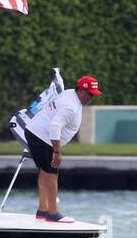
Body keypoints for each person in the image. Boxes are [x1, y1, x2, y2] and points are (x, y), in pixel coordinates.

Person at [22, 74, 101, 223]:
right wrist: (57, 152)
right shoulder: (70, 107)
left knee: (46, 171)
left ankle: (43, 210)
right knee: (52, 173)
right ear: (81, 91)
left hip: (36, 133)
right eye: (90, 94)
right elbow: (55, 126)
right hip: (43, 137)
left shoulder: (70, 93)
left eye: (94, 95)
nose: (91, 98)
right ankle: (52, 213)